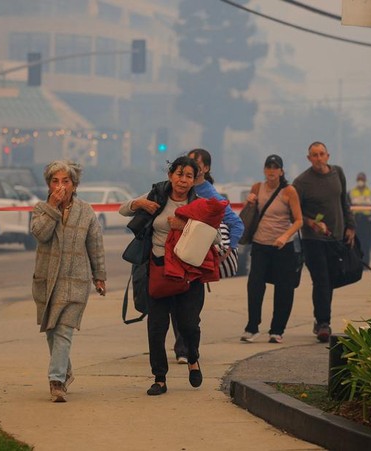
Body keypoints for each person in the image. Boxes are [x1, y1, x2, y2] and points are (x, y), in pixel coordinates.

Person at [119, 156, 206, 396]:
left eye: (189, 176)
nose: (183, 180)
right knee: (156, 328)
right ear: (170, 175)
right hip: (158, 272)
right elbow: (122, 209)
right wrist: (139, 204)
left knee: (189, 324)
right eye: (179, 174)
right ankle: (159, 378)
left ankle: (193, 359)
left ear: (194, 180)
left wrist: (185, 227)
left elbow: (215, 237)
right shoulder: (156, 196)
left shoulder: (200, 205)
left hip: (188, 276)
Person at [30, 160, 107, 402]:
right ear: (49, 185)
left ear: (75, 185)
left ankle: (56, 382)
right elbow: (40, 234)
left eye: (66, 181)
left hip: (75, 281)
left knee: (63, 330)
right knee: (51, 331)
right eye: (55, 181)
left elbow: (95, 245)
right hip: (47, 280)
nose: (60, 186)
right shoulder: (41, 209)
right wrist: (52, 207)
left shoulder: (86, 211)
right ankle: (65, 371)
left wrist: (99, 276)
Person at [168, 148, 245, 363]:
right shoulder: (176, 189)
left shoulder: (208, 193)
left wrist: (228, 249)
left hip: (194, 259)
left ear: (206, 169)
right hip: (174, 256)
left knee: (190, 307)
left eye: (195, 163)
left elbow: (236, 223)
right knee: (175, 303)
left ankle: (187, 348)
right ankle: (182, 347)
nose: (189, 166)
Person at [292, 142, 356, 343]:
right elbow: (294, 210)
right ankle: (323, 323)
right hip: (313, 240)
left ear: (328, 156)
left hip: (336, 237)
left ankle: (321, 318)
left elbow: (344, 201)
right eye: (314, 155)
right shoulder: (301, 182)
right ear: (309, 158)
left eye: (321, 154)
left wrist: (350, 226)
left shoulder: (338, 173)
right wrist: (310, 222)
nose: (319, 158)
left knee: (333, 279)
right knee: (322, 280)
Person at [240, 154, 302, 344]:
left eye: (275, 167)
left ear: (281, 171)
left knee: (284, 288)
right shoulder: (257, 188)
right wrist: (249, 202)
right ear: (264, 170)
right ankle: (252, 327)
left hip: (283, 247)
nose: (272, 171)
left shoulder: (289, 191)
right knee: (255, 285)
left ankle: (277, 330)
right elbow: (250, 214)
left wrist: (285, 236)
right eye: (269, 167)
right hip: (260, 244)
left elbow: (299, 220)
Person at [349, 172, 371, 264]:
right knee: (356, 243)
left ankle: (366, 262)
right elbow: (350, 204)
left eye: (362, 179)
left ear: (365, 180)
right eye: (359, 179)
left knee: (366, 243)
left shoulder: (370, 191)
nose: (360, 181)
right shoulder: (352, 191)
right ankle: (357, 262)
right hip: (356, 220)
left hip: (367, 220)